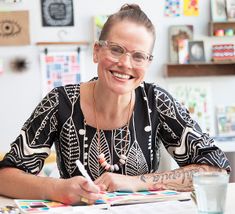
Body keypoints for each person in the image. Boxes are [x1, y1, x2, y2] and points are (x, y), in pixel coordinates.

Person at [0, 4, 231, 205]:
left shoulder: (156, 101)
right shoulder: (59, 102)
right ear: (97, 51)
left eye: (138, 55)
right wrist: (57, 189)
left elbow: (216, 169)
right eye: (116, 49)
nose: (125, 63)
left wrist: (134, 182)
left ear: (148, 63)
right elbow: (5, 177)